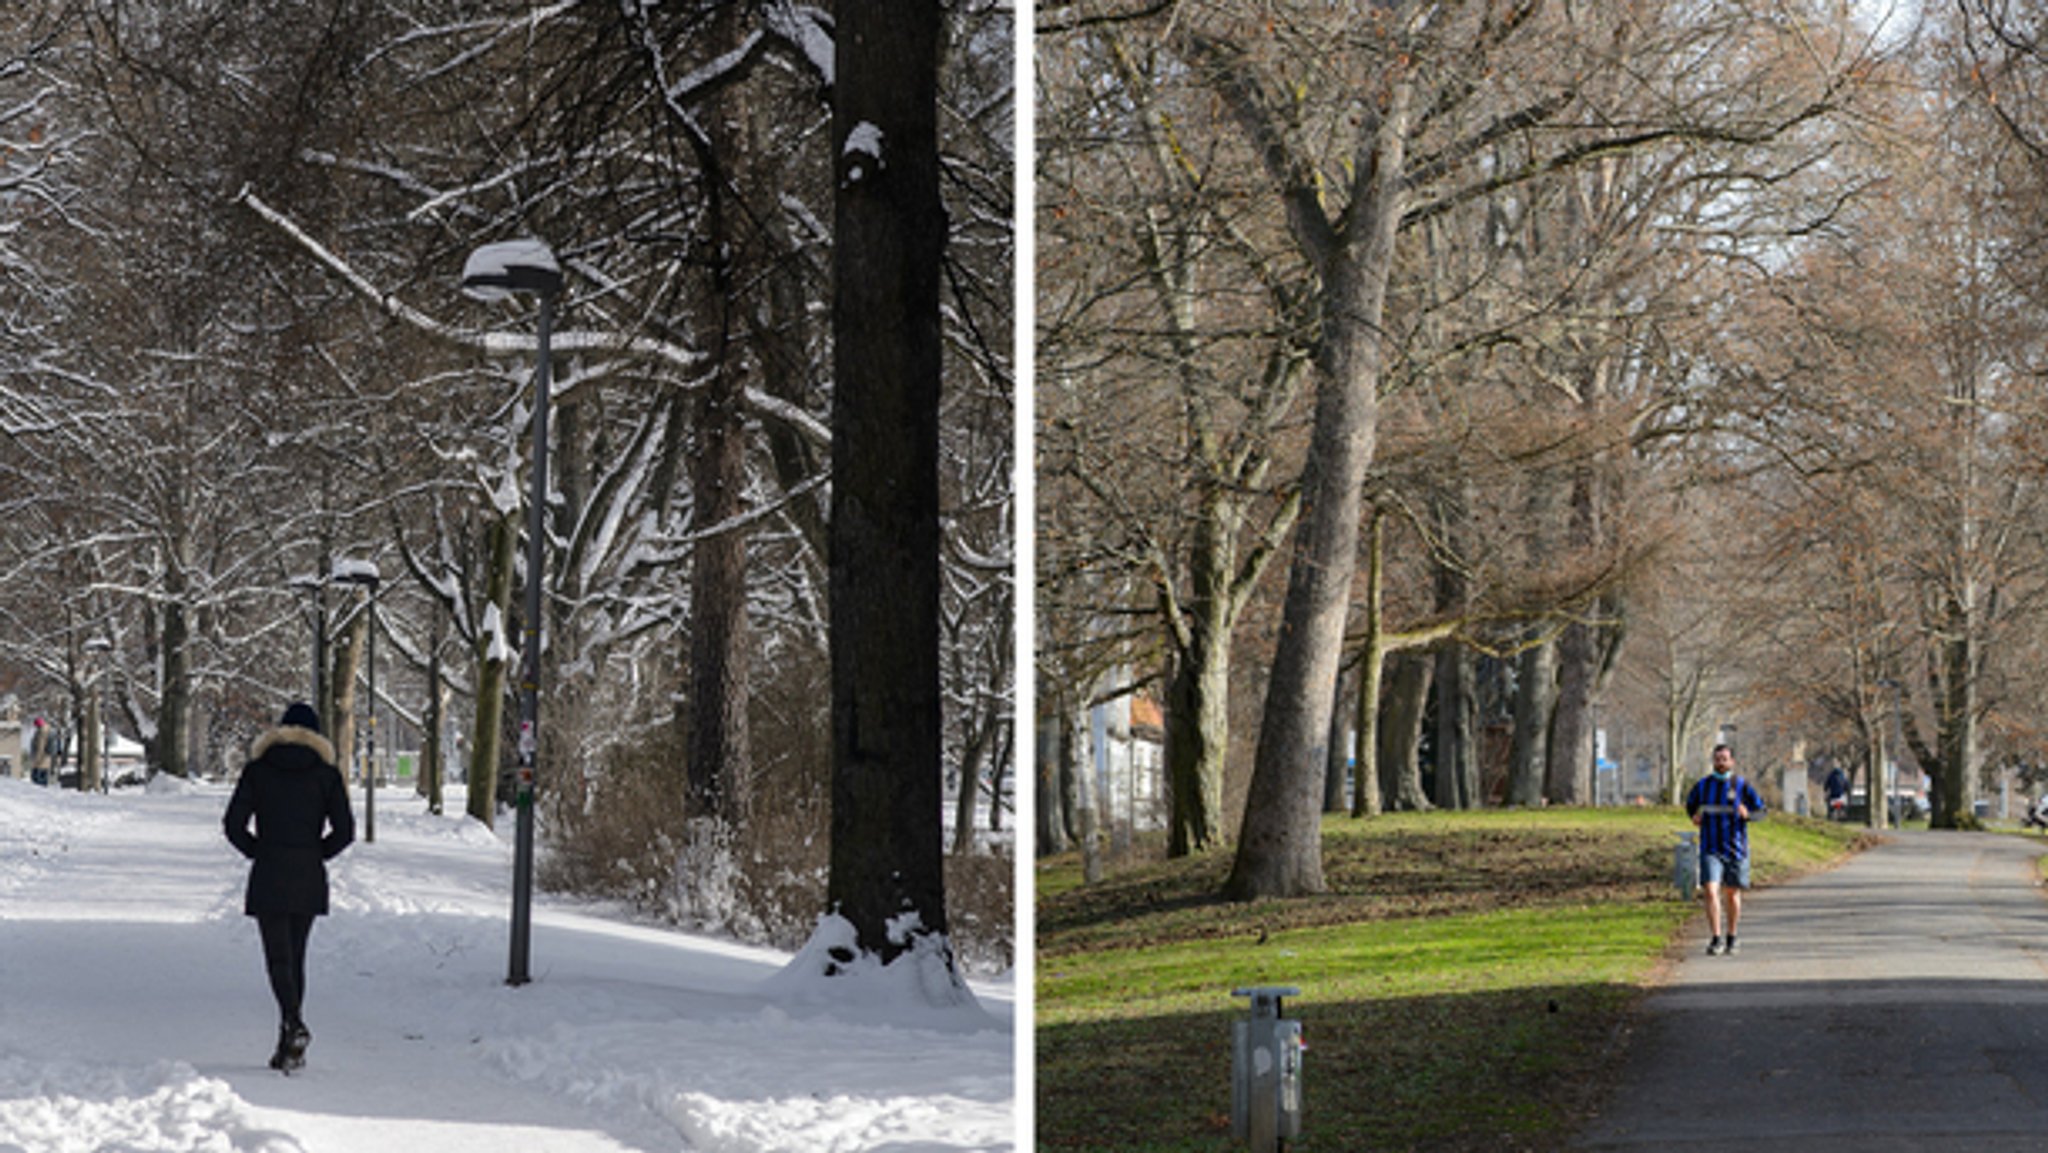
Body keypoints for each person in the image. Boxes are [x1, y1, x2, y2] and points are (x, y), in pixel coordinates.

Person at [223, 702, 355, 1072]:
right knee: (297, 956)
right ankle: (289, 1038)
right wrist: (315, 855)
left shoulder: (257, 771)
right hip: (308, 874)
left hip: (269, 871)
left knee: (277, 958)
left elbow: (233, 825)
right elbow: (345, 832)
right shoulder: (327, 775)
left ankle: (292, 1025)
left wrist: (259, 851)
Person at [1685, 744, 1764, 956]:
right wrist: (1694, 815)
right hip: (1710, 847)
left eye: (1725, 759)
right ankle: (1716, 938)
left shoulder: (1742, 785)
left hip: (1735, 848)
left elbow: (1761, 811)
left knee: (1732, 893)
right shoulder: (1703, 785)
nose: (1721, 763)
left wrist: (1747, 814)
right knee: (1710, 890)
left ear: (1732, 762)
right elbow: (1690, 804)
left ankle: (1732, 936)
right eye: (1717, 759)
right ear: (1713, 761)